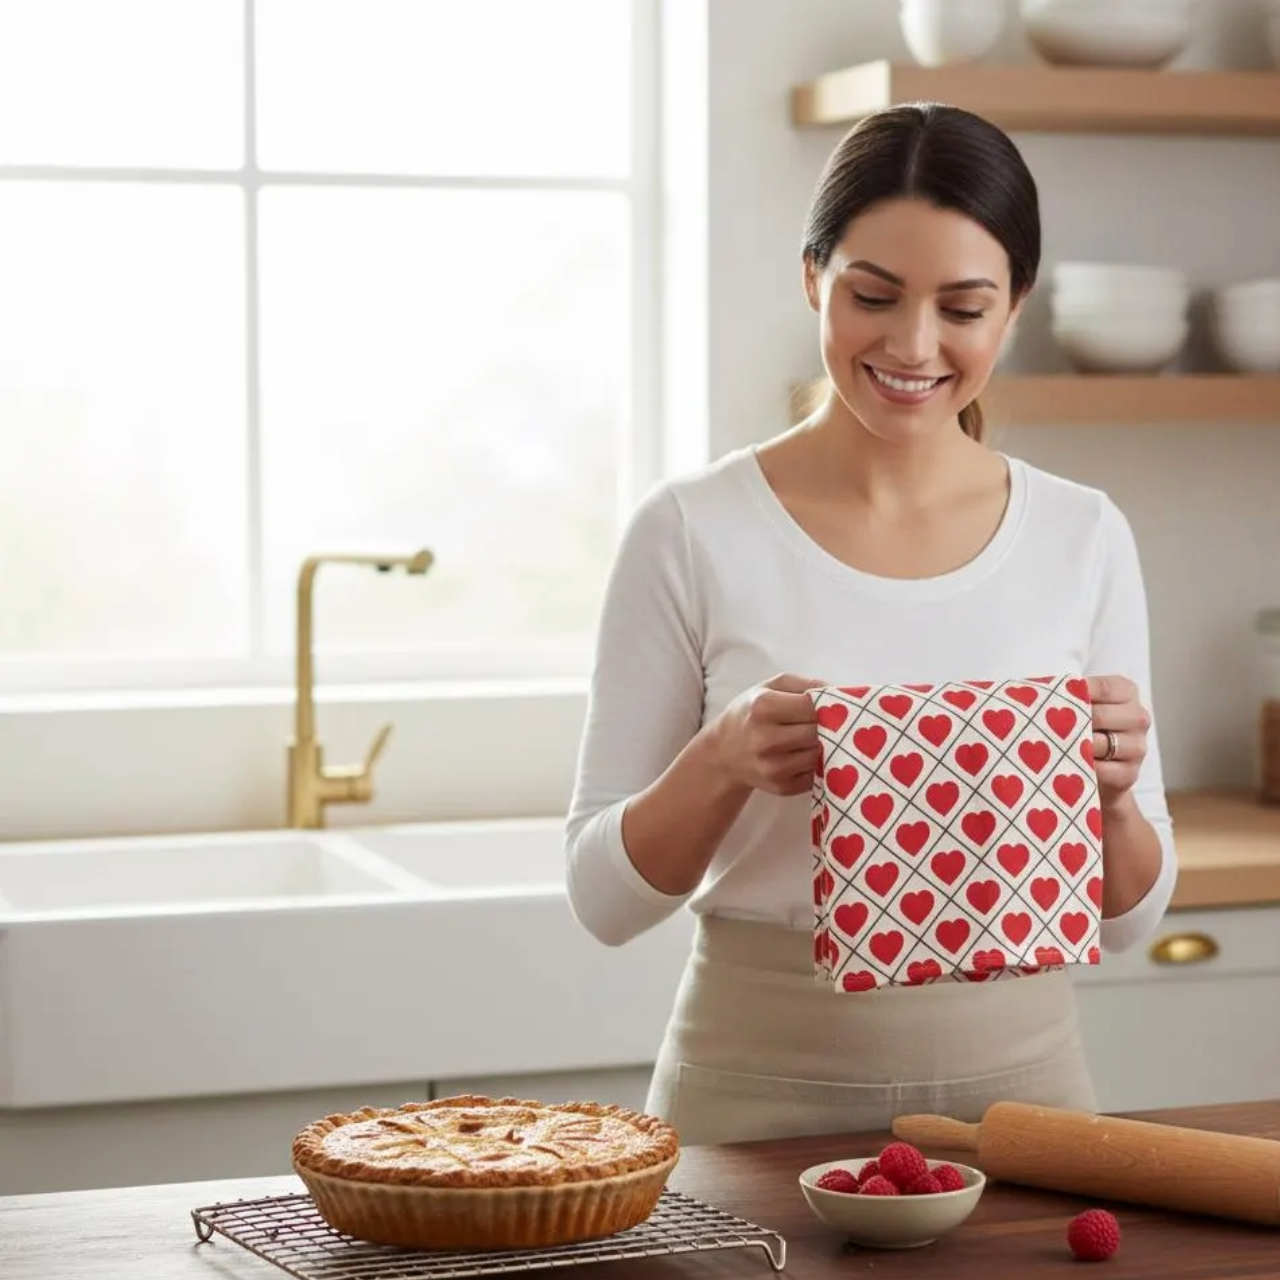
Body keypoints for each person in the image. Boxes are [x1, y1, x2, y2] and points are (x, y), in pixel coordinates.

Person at [564, 103, 1178, 1147]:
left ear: (1014, 308)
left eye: (962, 307)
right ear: (814, 278)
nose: (912, 344)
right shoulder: (691, 530)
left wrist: (1112, 799)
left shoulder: (1081, 534)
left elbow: (1129, 920)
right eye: (873, 295)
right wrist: (721, 758)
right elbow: (603, 901)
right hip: (750, 1093)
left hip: (1025, 1105)